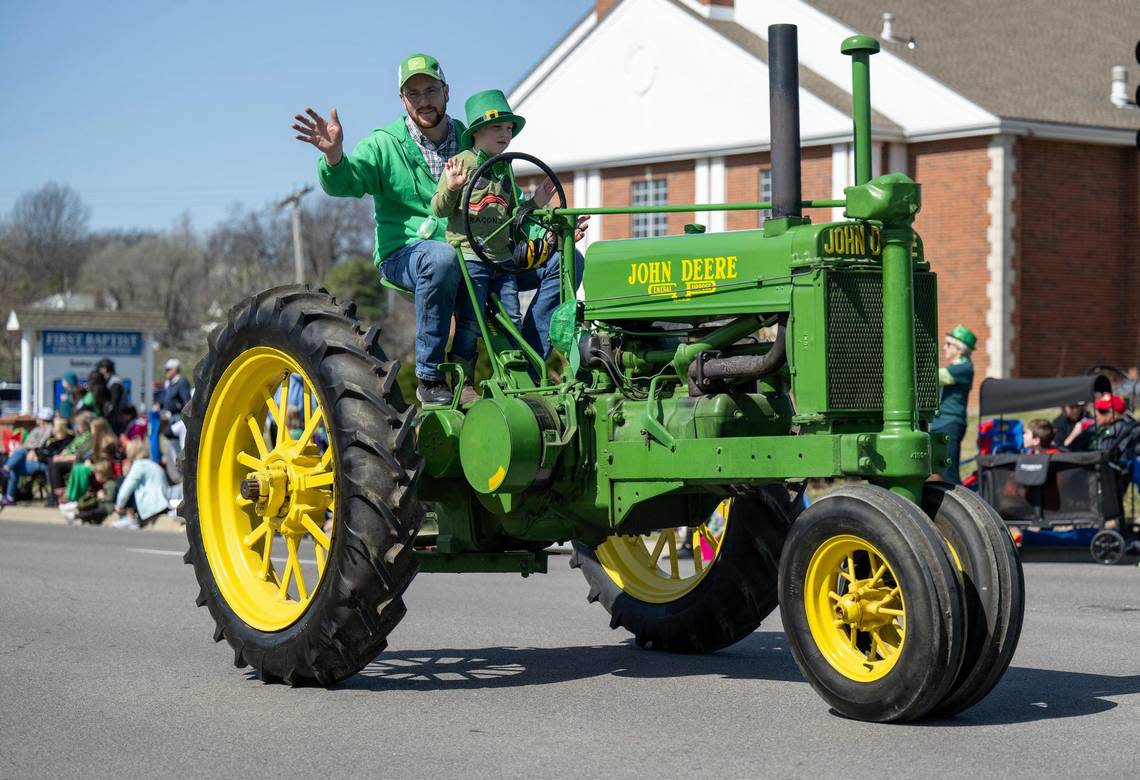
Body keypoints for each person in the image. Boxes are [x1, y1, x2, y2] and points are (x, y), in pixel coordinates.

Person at [293, 53, 585, 406]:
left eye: (430, 89)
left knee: (568, 261)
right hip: (412, 253)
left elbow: (502, 208)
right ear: (402, 100)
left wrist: (549, 237)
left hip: (480, 252)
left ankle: (528, 365)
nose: (424, 100)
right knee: (442, 257)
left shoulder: (475, 136)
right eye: (413, 93)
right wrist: (335, 157)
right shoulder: (385, 143)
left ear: (446, 91)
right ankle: (431, 377)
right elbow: (348, 182)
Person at [430, 89, 560, 401]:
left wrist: (536, 203)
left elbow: (513, 217)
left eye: (508, 129)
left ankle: (517, 380)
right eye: (497, 128)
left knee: (511, 318)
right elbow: (438, 209)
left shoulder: (504, 167)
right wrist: (452, 188)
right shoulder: (461, 164)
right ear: (477, 132)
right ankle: (462, 383)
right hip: (471, 257)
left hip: (502, 261)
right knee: (471, 323)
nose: (505, 134)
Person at [930, 325, 976, 484]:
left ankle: (960, 507)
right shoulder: (955, 366)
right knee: (935, 471)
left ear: (960, 349)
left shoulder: (964, 368)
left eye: (948, 344)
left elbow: (936, 376)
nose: (944, 348)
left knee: (949, 473)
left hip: (950, 424)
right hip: (940, 423)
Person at [1, 407, 56, 506]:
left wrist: (32, 450)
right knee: (16, 463)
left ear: (43, 419)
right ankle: (10, 496)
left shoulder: (50, 430)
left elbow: (41, 445)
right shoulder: (37, 429)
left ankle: (6, 472)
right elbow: (28, 443)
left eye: (39, 418)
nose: (37, 419)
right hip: (29, 459)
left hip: (41, 461)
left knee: (20, 453)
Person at [112, 438, 170, 530]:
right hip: (163, 503)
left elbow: (127, 486)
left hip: (152, 505)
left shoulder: (139, 465)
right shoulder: (151, 463)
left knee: (123, 480)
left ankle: (130, 517)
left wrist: (119, 505)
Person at [96, 358, 129, 435]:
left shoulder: (115, 383)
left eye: (100, 369)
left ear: (105, 369)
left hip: (116, 419)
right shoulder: (109, 381)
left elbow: (115, 403)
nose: (99, 371)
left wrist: (108, 416)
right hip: (115, 417)